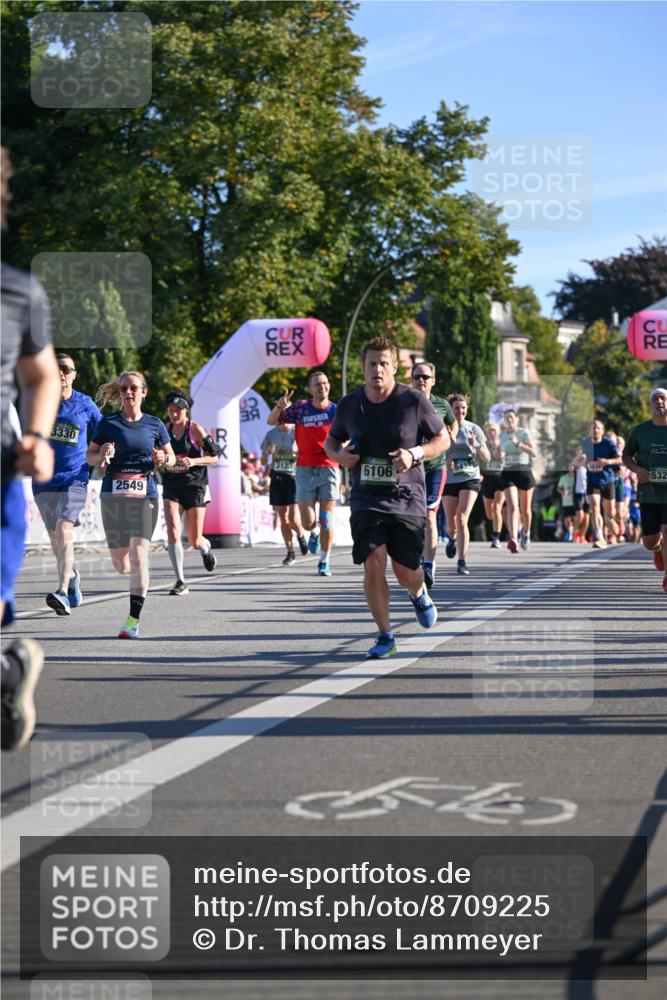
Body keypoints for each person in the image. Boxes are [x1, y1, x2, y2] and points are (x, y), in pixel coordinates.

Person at [324, 337, 450, 658]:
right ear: (363, 367)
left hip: (407, 497)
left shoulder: (413, 401)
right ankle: (385, 635)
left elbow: (442, 438)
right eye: (371, 363)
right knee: (373, 561)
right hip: (366, 497)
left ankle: (418, 591)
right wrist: (341, 457)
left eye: (383, 363)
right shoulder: (350, 404)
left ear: (394, 367)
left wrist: (415, 454)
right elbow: (332, 442)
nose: (377, 369)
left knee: (405, 571)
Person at [1, 145, 61, 749]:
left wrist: (37, 438)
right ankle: (7, 673)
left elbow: (41, 377)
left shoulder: (18, 293)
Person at [86, 372, 176, 638]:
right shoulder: (108, 423)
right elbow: (89, 456)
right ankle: (140, 566)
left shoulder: (155, 424)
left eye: (134, 388)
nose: (129, 392)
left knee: (137, 556)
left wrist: (162, 458)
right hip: (113, 498)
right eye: (124, 388)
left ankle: (132, 621)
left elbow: (171, 460)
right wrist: (100, 454)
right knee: (120, 564)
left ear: (143, 392)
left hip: (144, 496)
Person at [31, 352, 102, 614]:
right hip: (43, 481)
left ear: (74, 374)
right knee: (55, 540)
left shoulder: (85, 404)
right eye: (56, 368)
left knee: (63, 528)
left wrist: (106, 452)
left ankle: (61, 591)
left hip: (75, 478)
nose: (61, 373)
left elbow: (104, 432)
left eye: (67, 369)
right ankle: (71, 577)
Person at [268, 371, 338, 577]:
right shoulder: (300, 408)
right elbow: (271, 421)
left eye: (325, 383)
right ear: (310, 389)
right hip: (305, 466)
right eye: (317, 384)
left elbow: (347, 435)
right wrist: (280, 405)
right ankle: (313, 533)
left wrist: (343, 449)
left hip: (329, 464)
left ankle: (324, 561)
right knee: (308, 521)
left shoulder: (335, 410)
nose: (322, 387)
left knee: (326, 518)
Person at [160, 389, 220, 595]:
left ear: (186, 411)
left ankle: (205, 548)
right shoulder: (164, 429)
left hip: (195, 486)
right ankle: (180, 581)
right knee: (173, 530)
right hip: (171, 485)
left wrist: (193, 461)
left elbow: (215, 457)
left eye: (178, 410)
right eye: (171, 410)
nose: (174, 414)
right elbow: (156, 455)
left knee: (194, 540)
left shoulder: (194, 429)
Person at [409, 362, 456, 589]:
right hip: (410, 469)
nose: (421, 380)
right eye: (417, 377)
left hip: (436, 467)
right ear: (411, 379)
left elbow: (453, 423)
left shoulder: (442, 404)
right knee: (411, 519)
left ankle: (428, 565)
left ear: (433, 380)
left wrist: (451, 437)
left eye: (426, 377)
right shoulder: (404, 403)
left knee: (429, 516)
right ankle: (418, 555)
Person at [622, 388, 667, 594]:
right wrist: (638, 469)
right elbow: (626, 456)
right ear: (650, 404)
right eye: (655, 398)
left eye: (663, 398)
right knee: (650, 541)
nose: (659, 401)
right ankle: (658, 550)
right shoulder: (640, 431)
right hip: (649, 492)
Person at [442, 395, 490, 575]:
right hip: (449, 478)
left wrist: (476, 444)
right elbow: (436, 452)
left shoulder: (474, 429)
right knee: (451, 523)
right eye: (456, 408)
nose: (460, 411)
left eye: (463, 408)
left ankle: (461, 561)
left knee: (462, 518)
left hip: (470, 477)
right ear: (451, 410)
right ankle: (452, 538)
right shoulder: (444, 428)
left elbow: (487, 457)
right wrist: (446, 461)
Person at [260, 421, 308, 565]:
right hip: (277, 478)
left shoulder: (297, 431)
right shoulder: (271, 434)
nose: (283, 417)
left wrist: (297, 452)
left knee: (293, 518)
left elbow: (307, 453)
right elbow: (262, 461)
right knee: (283, 519)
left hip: (293, 478)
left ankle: (300, 535)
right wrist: (267, 453)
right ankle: (290, 552)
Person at [500, 409, 536, 552]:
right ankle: (513, 538)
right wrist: (498, 454)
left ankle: (526, 534)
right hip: (508, 472)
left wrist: (518, 444)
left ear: (516, 419)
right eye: (506, 417)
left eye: (511, 417)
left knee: (525, 509)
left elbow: (533, 453)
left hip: (524, 472)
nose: (509, 420)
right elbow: (501, 451)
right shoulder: (502, 435)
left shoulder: (524, 433)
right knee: (512, 506)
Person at [582, 419, 621, 549]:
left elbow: (620, 458)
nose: (595, 430)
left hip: (608, 480)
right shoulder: (585, 443)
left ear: (602, 431)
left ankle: (611, 523)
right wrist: (576, 462)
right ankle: (599, 537)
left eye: (598, 428)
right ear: (589, 431)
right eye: (592, 428)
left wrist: (607, 462)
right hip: (592, 481)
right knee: (594, 507)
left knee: (610, 514)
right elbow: (581, 456)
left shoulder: (608, 443)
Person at [481, 421, 506, 548]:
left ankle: (496, 537)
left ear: (499, 431)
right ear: (486, 431)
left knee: (497, 508)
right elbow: (478, 459)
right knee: (489, 514)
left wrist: (503, 455)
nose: (492, 432)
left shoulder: (503, 444)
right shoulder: (483, 445)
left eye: (494, 430)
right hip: (487, 479)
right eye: (490, 430)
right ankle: (496, 528)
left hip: (500, 478)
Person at [556, 464, 576, 542]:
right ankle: (570, 531)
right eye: (569, 466)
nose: (571, 468)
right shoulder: (563, 477)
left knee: (575, 519)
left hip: (575, 501)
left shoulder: (577, 477)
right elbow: (558, 488)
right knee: (567, 520)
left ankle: (573, 532)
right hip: (566, 502)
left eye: (572, 467)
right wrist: (562, 492)